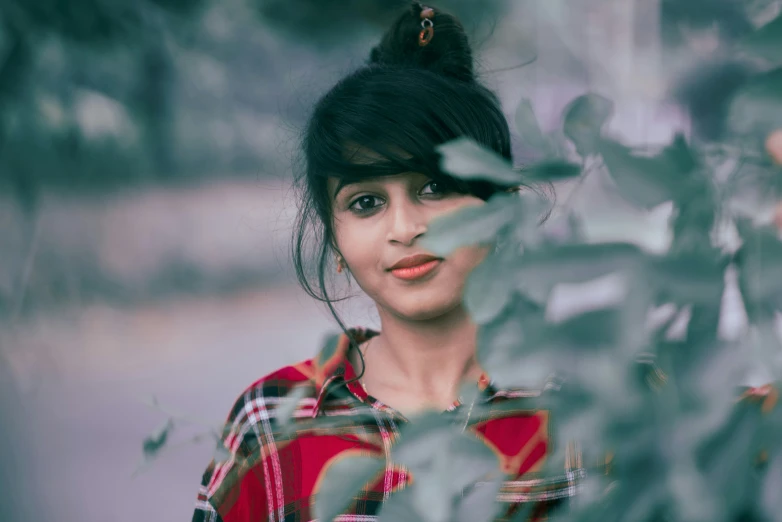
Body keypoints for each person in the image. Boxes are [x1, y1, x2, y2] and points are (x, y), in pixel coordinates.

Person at [192, 3, 580, 521]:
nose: (404, 227)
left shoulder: (588, 400)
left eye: (435, 187)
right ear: (334, 242)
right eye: (366, 202)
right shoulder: (273, 423)